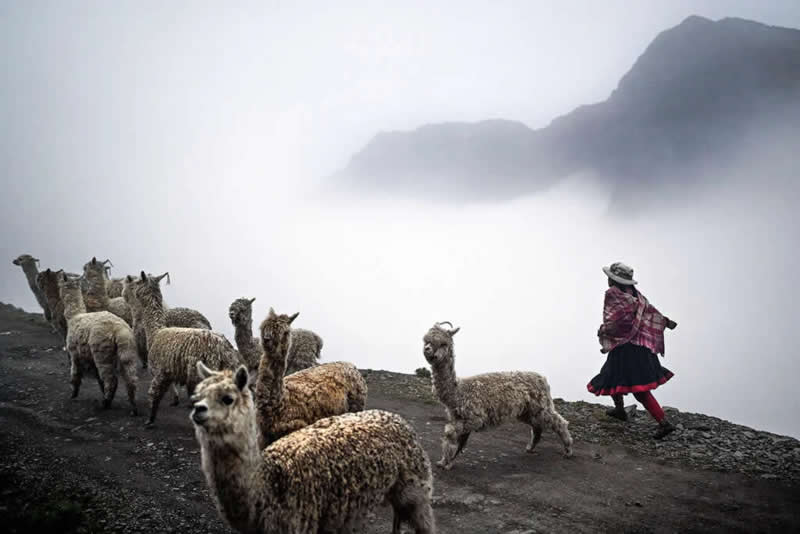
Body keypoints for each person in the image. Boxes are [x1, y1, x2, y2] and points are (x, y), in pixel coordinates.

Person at [587, 262, 678, 439]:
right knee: (613, 376)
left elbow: (615, 323)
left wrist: (604, 331)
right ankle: (620, 410)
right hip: (641, 347)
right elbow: (649, 313)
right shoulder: (636, 295)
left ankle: (664, 423)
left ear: (613, 279)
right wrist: (664, 321)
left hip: (626, 349)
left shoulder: (613, 294)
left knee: (637, 388)